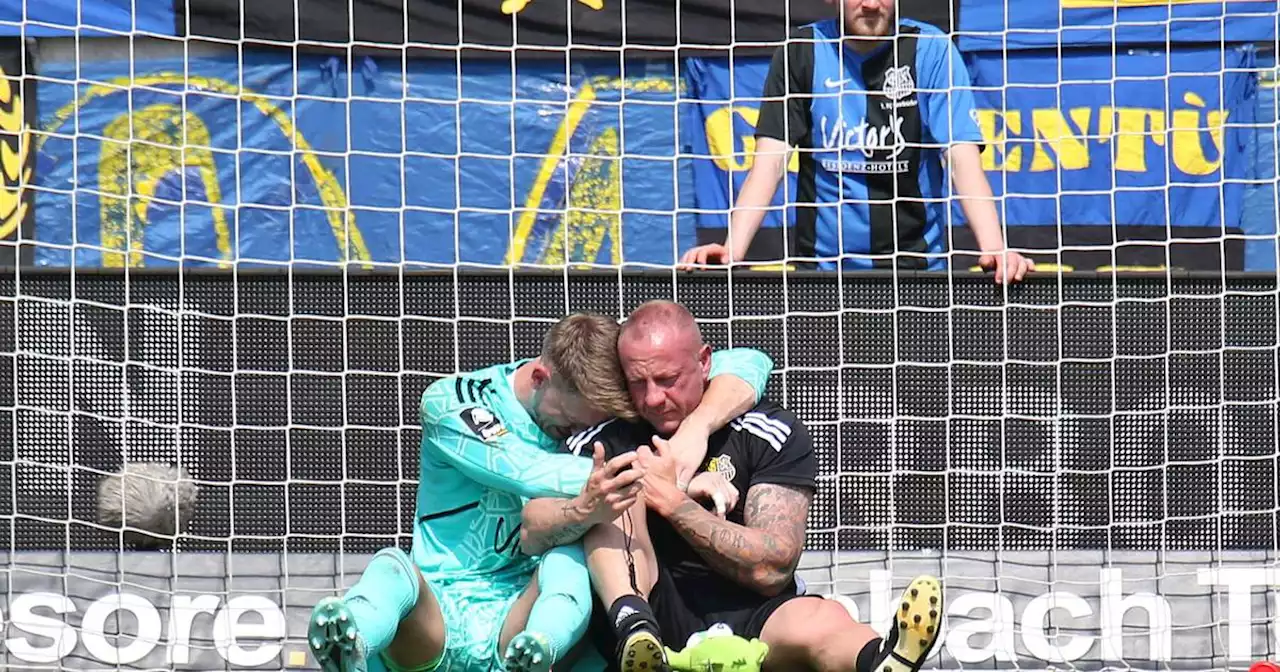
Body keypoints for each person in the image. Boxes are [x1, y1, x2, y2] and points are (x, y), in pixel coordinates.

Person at [307, 311, 777, 672]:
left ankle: (538, 655)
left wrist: (694, 431)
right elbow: (525, 469)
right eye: (570, 422)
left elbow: (752, 360)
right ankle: (351, 643)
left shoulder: (589, 401)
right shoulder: (453, 402)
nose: (572, 435)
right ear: (539, 377)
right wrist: (662, 475)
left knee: (569, 563)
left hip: (521, 614)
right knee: (393, 568)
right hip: (440, 613)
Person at [520, 301, 944, 672]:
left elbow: (773, 568)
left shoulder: (767, 431)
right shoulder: (601, 435)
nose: (652, 399)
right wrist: (590, 505)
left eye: (668, 380)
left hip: (751, 613)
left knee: (817, 620)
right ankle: (634, 624)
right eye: (637, 383)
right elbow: (532, 528)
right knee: (620, 487)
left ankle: (879, 661)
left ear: (705, 361)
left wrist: (674, 502)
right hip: (649, 614)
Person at [680, 0, 1035, 284]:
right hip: (821, 275)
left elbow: (961, 158)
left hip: (917, 271)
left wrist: (994, 248)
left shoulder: (932, 50)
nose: (870, 5)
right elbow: (769, 164)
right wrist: (732, 250)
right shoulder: (800, 52)